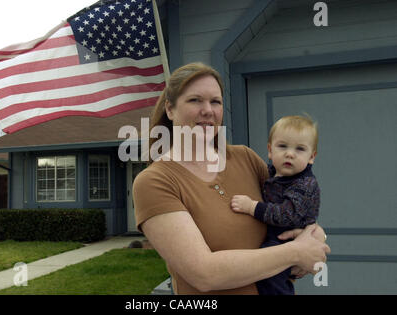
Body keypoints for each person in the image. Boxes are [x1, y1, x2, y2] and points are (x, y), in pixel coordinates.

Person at [133, 62, 330, 295]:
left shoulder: (244, 158)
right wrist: (295, 253)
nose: (208, 110)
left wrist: (314, 236)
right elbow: (205, 274)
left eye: (215, 101)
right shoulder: (155, 181)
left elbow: (297, 208)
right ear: (170, 109)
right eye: (195, 100)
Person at [231, 115, 321, 295]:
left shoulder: (304, 184)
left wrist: (251, 207)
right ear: (270, 151)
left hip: (287, 239)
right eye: (283, 146)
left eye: (300, 149)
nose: (290, 153)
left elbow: (285, 215)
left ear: (311, 157)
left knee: (271, 278)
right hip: (276, 238)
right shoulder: (272, 173)